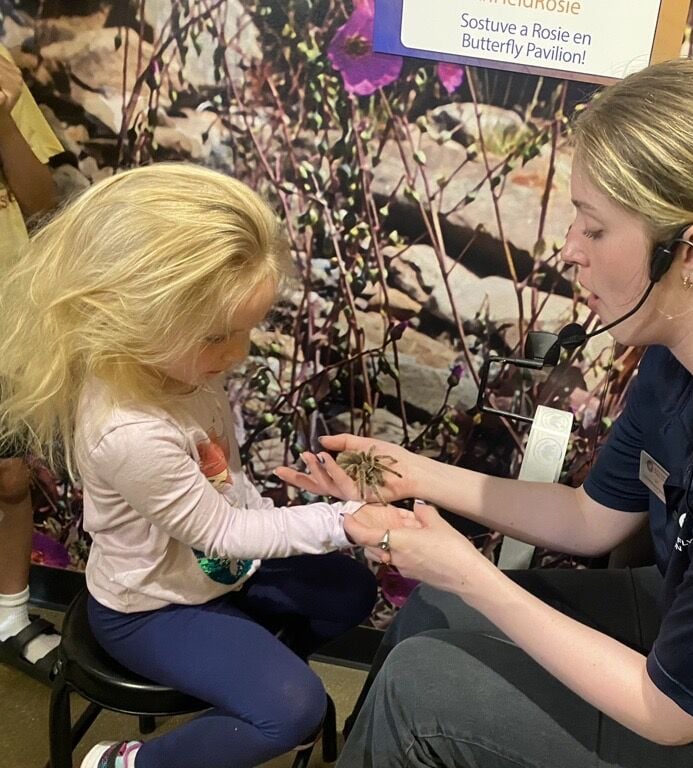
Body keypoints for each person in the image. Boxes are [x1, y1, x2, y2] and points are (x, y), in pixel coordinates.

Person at [278, 58, 693, 767]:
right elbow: (591, 519)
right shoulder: (682, 354)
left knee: (421, 690)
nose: (568, 250)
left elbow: (667, 717)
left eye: (595, 229)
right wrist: (412, 475)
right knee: (431, 613)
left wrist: (463, 569)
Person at [0, 163, 420, 768]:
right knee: (293, 709)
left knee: (347, 591)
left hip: (214, 571)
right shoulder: (129, 432)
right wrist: (344, 520)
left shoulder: (179, 368)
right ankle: (131, 763)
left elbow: (224, 484)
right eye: (219, 336)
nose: (239, 354)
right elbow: (221, 531)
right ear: (131, 316)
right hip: (149, 608)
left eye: (246, 331)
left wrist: (277, 510)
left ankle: (243, 678)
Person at [0, 42, 65, 684]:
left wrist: (3, 116)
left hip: (4, 318)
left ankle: (10, 617)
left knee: (12, 478)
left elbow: (41, 198)